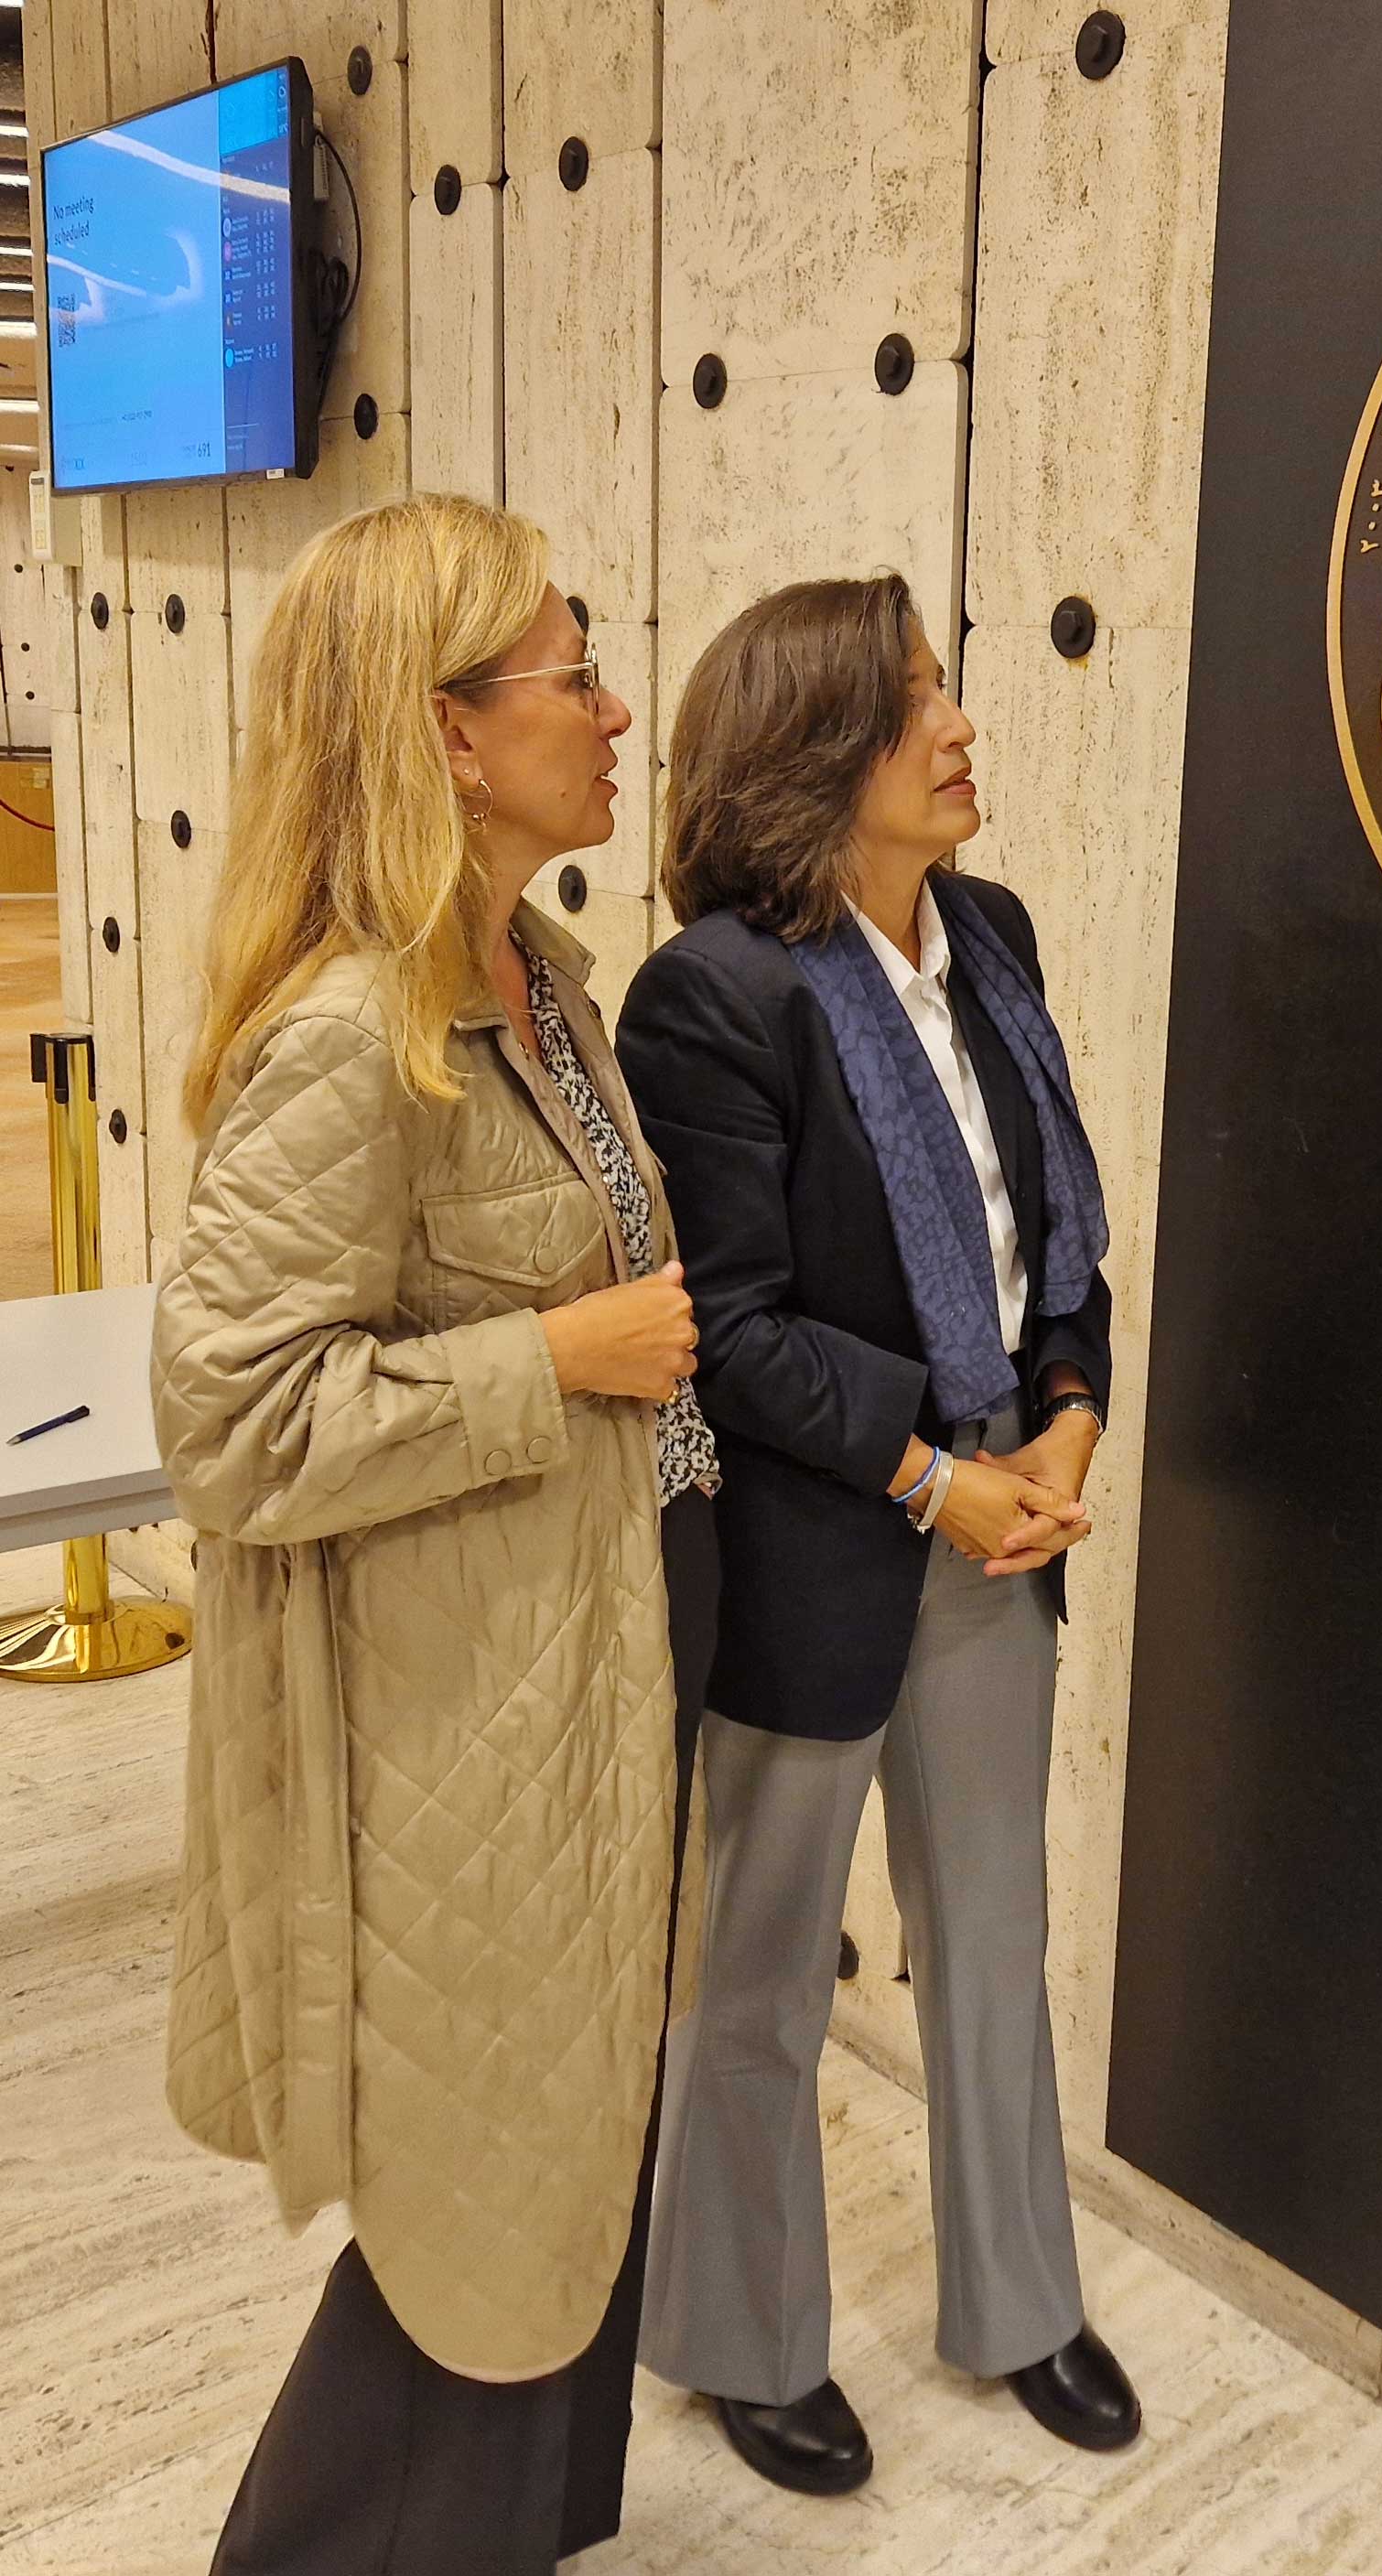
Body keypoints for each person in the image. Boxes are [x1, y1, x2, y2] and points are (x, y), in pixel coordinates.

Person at [155, 493, 717, 2573]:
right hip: (461, 1725)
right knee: (486, 2183)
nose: (615, 705)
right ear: (450, 733)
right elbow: (229, 1423)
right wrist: (551, 1359)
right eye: (573, 670)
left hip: (599, 1658)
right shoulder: (349, 1031)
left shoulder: (548, 980)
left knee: (565, 2161)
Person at [616, 573, 1137, 2497]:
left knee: (992, 1934)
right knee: (758, 1968)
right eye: (917, 696)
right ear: (820, 744)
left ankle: (1022, 2302)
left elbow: (1053, 1231)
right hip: (833, 1541)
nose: (960, 722)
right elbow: (732, 1330)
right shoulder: (716, 992)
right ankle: (741, 2334)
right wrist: (937, 1469)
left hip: (1010, 1510)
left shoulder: (987, 932)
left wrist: (1068, 1412)